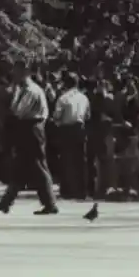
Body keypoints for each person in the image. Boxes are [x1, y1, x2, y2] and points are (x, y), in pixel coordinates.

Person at [0, 62, 59, 217]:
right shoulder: (24, 90)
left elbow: (17, 112)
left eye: (17, 72)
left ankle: (50, 203)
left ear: (25, 73)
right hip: (27, 129)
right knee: (20, 168)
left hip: (32, 129)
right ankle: (6, 202)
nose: (14, 74)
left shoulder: (31, 91)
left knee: (39, 166)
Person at [52, 72, 91, 200]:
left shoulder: (63, 98)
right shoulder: (84, 98)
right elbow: (87, 115)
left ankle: (67, 190)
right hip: (80, 128)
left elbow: (57, 116)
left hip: (66, 129)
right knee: (81, 160)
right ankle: (82, 190)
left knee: (66, 160)